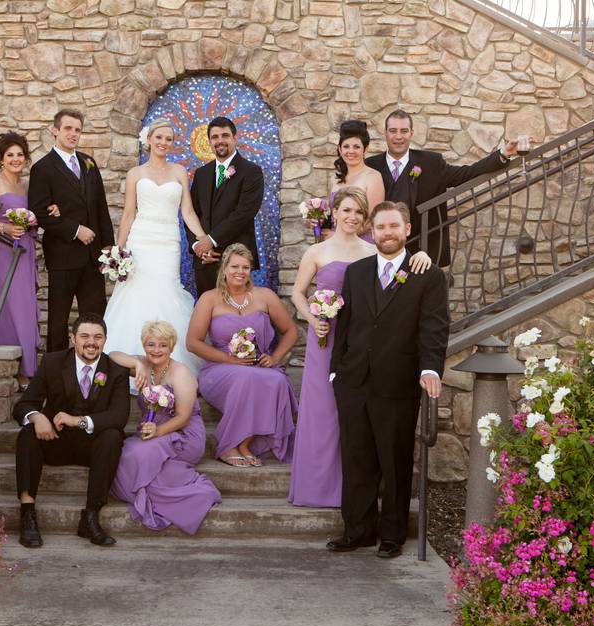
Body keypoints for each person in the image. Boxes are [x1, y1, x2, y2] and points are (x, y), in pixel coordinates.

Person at [288, 188, 431, 508]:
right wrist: (313, 319)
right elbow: (298, 293)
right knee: (322, 411)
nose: (352, 217)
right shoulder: (317, 251)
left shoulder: (371, 250)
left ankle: (352, 491)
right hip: (324, 337)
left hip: (360, 342)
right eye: (346, 210)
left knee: (352, 418)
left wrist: (423, 254)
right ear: (334, 212)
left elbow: (399, 269)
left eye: (358, 213)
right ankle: (316, 488)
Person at [327, 201, 449, 558]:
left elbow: (434, 326)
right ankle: (357, 530)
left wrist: (430, 369)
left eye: (394, 226)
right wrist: (337, 371)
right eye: (381, 227)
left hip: (397, 382)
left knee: (394, 460)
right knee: (356, 458)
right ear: (372, 231)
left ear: (407, 229)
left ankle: (392, 534)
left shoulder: (426, 274)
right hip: (354, 382)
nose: (388, 233)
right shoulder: (357, 272)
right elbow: (345, 326)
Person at [12, 313, 130, 548]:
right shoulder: (53, 362)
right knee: (27, 433)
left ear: (105, 340)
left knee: (113, 436)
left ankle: (90, 517)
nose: (91, 342)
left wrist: (78, 420)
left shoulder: (116, 370)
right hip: (56, 440)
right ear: (73, 338)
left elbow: (119, 416)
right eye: (84, 336)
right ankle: (27, 513)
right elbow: (24, 404)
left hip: (93, 447)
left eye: (98, 337)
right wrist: (37, 418)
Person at [103, 119, 208, 375]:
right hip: (141, 240)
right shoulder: (135, 174)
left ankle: (170, 367)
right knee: (135, 294)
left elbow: (188, 212)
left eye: (168, 139)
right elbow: (128, 214)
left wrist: (203, 238)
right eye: (159, 137)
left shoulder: (179, 172)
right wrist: (118, 251)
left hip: (168, 242)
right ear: (149, 139)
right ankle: (131, 364)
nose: (163, 143)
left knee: (166, 291)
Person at [365, 108, 527, 267]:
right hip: (379, 251)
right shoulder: (370, 166)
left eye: (404, 131)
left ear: (411, 133)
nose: (398, 136)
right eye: (393, 131)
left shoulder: (431, 162)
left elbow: (467, 174)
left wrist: (503, 154)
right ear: (385, 133)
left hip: (422, 253)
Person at [186, 243, 298, 467]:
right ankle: (228, 445)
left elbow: (291, 331)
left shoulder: (264, 296)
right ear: (224, 269)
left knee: (276, 380)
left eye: (246, 267)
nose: (240, 271)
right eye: (235, 266)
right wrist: (230, 359)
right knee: (244, 377)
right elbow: (192, 343)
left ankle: (245, 443)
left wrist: (274, 358)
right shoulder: (210, 298)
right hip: (219, 368)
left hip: (258, 366)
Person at [109, 320, 221, 534]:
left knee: (138, 455)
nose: (156, 350)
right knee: (125, 454)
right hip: (152, 429)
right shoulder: (145, 364)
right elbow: (112, 356)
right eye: (151, 344)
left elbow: (184, 417)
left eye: (163, 345)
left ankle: (192, 494)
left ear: (171, 346)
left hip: (182, 433)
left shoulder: (181, 373)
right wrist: (138, 365)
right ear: (144, 346)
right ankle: (149, 492)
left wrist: (158, 432)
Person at [28, 109, 115, 352]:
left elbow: (101, 206)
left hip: (92, 256)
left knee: (96, 316)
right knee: (58, 318)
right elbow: (39, 211)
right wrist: (76, 230)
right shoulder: (43, 168)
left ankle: (94, 368)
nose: (73, 134)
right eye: (68, 128)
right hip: (63, 255)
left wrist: (108, 245)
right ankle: (54, 375)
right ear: (54, 130)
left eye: (77, 129)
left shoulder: (89, 162)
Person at [0, 131, 53, 389]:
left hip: (24, 249)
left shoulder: (26, 186)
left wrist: (49, 212)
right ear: (1, 159)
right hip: (0, 250)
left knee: (24, 306)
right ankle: (8, 363)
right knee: (5, 303)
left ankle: (26, 369)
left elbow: (37, 213)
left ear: (26, 158)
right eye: (10, 155)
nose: (16, 159)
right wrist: (5, 229)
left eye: (20, 155)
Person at [188, 116, 264, 298]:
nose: (220, 141)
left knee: (235, 315)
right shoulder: (201, 174)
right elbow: (192, 213)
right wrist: (198, 245)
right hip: (205, 260)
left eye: (225, 135)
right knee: (207, 314)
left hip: (236, 259)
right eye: (215, 137)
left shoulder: (251, 171)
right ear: (209, 142)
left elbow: (244, 213)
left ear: (234, 138)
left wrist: (211, 240)